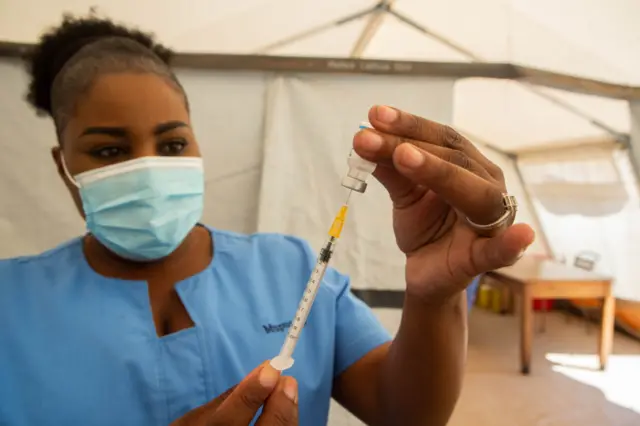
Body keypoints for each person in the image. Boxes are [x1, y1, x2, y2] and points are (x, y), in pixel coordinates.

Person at [0, 15, 534, 426]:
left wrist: (435, 296)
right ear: (63, 164)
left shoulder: (291, 267)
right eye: (111, 151)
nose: (149, 169)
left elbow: (405, 414)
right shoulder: (11, 303)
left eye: (172, 144)